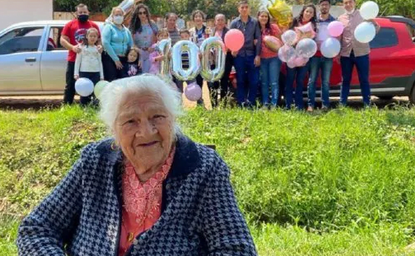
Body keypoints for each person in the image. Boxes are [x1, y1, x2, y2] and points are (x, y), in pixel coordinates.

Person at [16, 75, 258, 256]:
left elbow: (236, 248)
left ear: (173, 120)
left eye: (157, 117)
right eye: (131, 121)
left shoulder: (204, 169)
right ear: (113, 130)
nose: (146, 132)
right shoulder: (94, 161)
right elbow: (38, 227)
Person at [338, 0, 380, 107]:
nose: (348, 4)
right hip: (346, 54)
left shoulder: (363, 15)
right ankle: (342, 104)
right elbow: (339, 37)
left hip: (362, 53)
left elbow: (376, 27)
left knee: (364, 80)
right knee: (345, 80)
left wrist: (370, 33)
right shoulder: (340, 19)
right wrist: (338, 53)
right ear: (343, 5)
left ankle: (367, 104)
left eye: (350, 2)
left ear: (354, 3)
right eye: (345, 3)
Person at [60, 3, 101, 105]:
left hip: (89, 64)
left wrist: (100, 46)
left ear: (88, 12)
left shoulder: (94, 25)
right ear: (76, 13)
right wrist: (72, 48)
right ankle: (67, 106)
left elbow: (99, 40)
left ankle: (89, 106)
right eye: (80, 12)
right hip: (74, 59)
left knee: (89, 85)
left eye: (85, 12)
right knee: (70, 84)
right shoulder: (70, 25)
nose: (83, 14)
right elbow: (62, 40)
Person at [229, 0, 262, 108]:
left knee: (254, 80)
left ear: (249, 9)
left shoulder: (254, 22)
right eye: (242, 7)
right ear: (238, 9)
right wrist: (232, 48)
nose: (244, 9)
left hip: (252, 54)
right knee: (241, 80)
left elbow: (258, 38)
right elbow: (230, 37)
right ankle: (241, 102)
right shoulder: (234, 23)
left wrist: (257, 55)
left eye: (246, 7)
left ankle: (251, 103)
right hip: (239, 56)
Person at [308, 0, 337, 112]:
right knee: (312, 80)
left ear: (329, 6)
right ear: (319, 6)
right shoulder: (314, 21)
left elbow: (337, 37)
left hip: (328, 55)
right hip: (315, 55)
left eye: (326, 4)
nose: (324, 7)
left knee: (325, 81)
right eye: (322, 5)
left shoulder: (334, 21)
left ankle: (325, 105)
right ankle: (311, 105)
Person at [286, 4, 317, 110]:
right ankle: (288, 104)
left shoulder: (313, 26)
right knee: (290, 80)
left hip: (304, 58)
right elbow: (288, 38)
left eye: (311, 12)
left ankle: (299, 105)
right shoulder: (294, 22)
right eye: (307, 11)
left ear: (313, 15)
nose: (308, 14)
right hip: (292, 56)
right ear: (303, 11)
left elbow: (311, 44)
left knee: (300, 81)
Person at [258, 9, 282, 108]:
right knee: (264, 82)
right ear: (258, 17)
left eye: (266, 16)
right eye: (262, 16)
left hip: (274, 58)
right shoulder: (256, 29)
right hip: (262, 59)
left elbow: (281, 41)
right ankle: (265, 103)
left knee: (274, 82)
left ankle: (274, 104)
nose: (264, 18)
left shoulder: (274, 28)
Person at [102, 7, 134, 82]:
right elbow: (105, 43)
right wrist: (116, 59)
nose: (118, 17)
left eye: (120, 15)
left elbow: (131, 45)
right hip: (110, 59)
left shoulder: (126, 30)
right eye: (116, 15)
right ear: (112, 17)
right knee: (111, 81)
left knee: (122, 81)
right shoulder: (108, 27)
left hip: (124, 59)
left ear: (123, 16)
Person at [74, 28, 104, 106]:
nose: (92, 38)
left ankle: (95, 106)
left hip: (95, 72)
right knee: (84, 90)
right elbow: (78, 61)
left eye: (95, 36)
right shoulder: (81, 47)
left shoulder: (98, 48)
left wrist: (101, 76)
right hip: (84, 72)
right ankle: (83, 106)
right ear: (87, 36)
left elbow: (100, 62)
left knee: (95, 91)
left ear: (97, 38)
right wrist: (76, 73)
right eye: (91, 36)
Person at [211, 13, 233, 108]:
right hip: (213, 62)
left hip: (225, 61)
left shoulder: (229, 32)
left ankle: (224, 104)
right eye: (218, 20)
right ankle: (214, 104)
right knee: (213, 83)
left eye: (222, 20)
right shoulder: (210, 32)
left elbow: (233, 46)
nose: (220, 22)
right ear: (215, 22)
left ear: (225, 22)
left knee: (224, 82)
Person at [130, 4, 158, 73]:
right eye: (140, 13)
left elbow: (158, 37)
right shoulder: (133, 25)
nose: (142, 15)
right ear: (137, 14)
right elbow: (131, 41)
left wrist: (153, 47)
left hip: (151, 54)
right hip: (139, 54)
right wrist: (137, 50)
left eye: (144, 12)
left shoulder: (152, 24)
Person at [188, 10, 208, 107]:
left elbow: (211, 44)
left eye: (200, 16)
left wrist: (204, 54)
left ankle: (213, 103)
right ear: (193, 19)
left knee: (209, 82)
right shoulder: (190, 31)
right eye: (196, 17)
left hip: (207, 59)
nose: (198, 18)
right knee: (198, 81)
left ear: (203, 18)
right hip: (195, 60)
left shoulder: (208, 30)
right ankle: (199, 102)